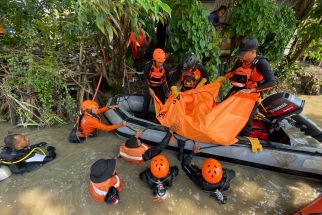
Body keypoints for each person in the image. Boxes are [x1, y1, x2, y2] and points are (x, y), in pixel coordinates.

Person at [217, 36, 277, 136]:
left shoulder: (262, 63)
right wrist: (223, 78)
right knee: (222, 109)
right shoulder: (240, 61)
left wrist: (251, 90)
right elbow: (232, 73)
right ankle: (224, 131)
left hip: (251, 96)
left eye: (243, 53)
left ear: (253, 52)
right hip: (236, 91)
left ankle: (244, 140)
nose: (240, 56)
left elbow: (272, 82)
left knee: (245, 121)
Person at [142, 48, 170, 118]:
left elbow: (168, 80)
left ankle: (161, 118)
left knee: (162, 101)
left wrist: (171, 88)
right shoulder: (148, 66)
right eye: (159, 62)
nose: (161, 64)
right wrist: (149, 89)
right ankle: (144, 117)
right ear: (154, 60)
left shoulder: (165, 67)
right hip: (149, 86)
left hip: (159, 86)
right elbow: (145, 79)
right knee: (146, 100)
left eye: (162, 62)